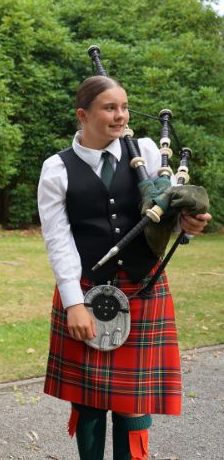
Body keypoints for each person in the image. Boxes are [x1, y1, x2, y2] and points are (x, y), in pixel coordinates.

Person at [38, 76, 212, 460]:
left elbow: (164, 213)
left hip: (143, 288)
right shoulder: (57, 169)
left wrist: (189, 223)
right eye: (110, 108)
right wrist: (73, 303)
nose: (121, 116)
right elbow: (58, 240)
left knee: (135, 401)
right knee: (88, 399)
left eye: (124, 107)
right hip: (87, 287)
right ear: (83, 115)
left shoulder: (147, 151)